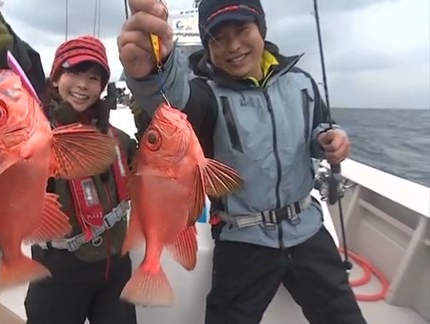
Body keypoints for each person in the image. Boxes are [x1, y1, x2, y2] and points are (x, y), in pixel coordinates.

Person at [118, 0, 367, 323]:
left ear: (261, 28)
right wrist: (154, 68)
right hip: (243, 240)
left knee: (344, 316)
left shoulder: (301, 83)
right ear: (207, 47)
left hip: (306, 229)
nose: (233, 46)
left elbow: (320, 127)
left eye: (242, 30)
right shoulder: (207, 96)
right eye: (218, 38)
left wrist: (329, 139)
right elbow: (175, 99)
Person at [0, 1, 138, 323]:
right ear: (54, 79)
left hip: (116, 269)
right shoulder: (35, 127)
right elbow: (10, 59)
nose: (83, 84)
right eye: (74, 72)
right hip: (58, 270)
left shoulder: (118, 139)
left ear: (102, 88)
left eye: (94, 78)